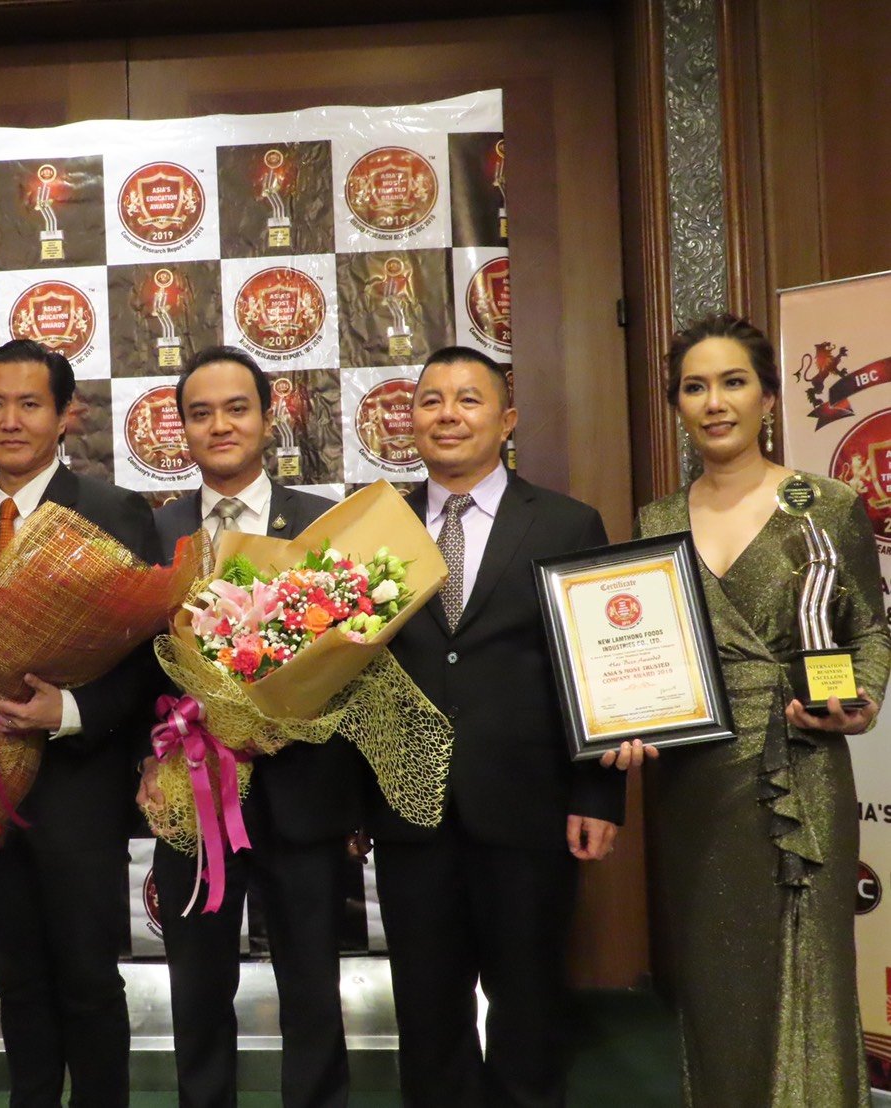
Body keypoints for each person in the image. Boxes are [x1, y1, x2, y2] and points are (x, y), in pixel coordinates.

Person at [606, 314, 889, 1107]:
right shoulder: (657, 520)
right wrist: (623, 720)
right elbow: (638, 653)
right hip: (693, 779)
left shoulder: (824, 504)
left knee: (810, 975)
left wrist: (863, 700)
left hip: (802, 764)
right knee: (714, 985)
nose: (714, 402)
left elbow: (869, 629)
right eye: (695, 387)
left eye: (733, 382)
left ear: (767, 397)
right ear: (678, 405)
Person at [360, 345, 624, 1108]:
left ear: (507, 420)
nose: (448, 415)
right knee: (427, 1016)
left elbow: (599, 670)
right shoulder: (375, 528)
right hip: (409, 815)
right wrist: (353, 805)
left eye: (468, 399)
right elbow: (353, 675)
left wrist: (599, 796)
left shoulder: (567, 524)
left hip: (529, 809)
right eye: (431, 400)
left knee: (530, 1012)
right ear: (411, 420)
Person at [0, 339, 161, 1108]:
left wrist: (66, 711)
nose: (10, 421)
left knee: (88, 980)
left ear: (65, 416)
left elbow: (150, 658)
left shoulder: (112, 512)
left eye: (30, 404)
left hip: (79, 791)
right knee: (15, 977)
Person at [135, 346, 353, 1108]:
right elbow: (130, 669)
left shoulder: (324, 524)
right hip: (190, 792)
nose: (219, 425)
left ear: (269, 417)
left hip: (303, 791)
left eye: (236, 409)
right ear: (182, 429)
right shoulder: (152, 532)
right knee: (197, 991)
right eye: (200, 413)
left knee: (313, 989)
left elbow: (361, 665)